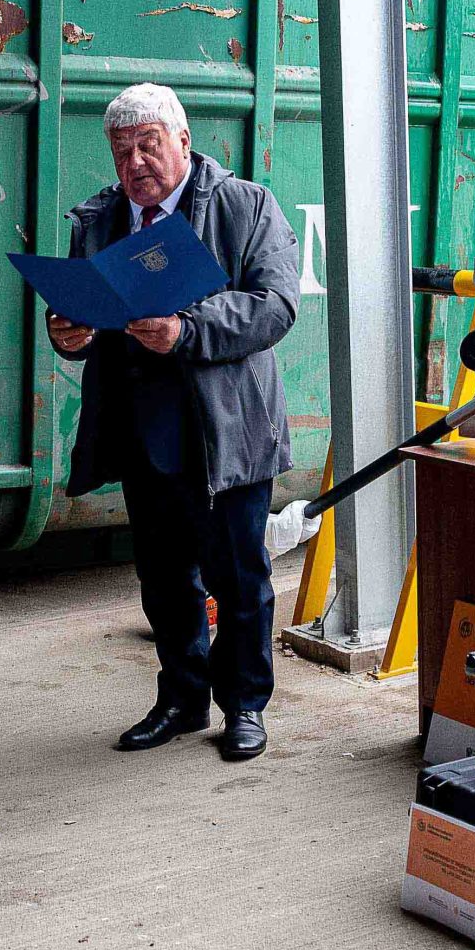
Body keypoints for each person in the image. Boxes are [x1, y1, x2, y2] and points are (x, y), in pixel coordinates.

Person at [47, 83, 299, 763]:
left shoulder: (246, 206)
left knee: (239, 577)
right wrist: (69, 334)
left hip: (225, 429)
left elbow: (275, 305)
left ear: (183, 141)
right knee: (163, 579)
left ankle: (244, 705)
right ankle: (183, 698)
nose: (135, 163)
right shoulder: (99, 219)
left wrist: (188, 329)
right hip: (141, 429)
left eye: (149, 145)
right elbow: (85, 315)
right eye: (122, 150)